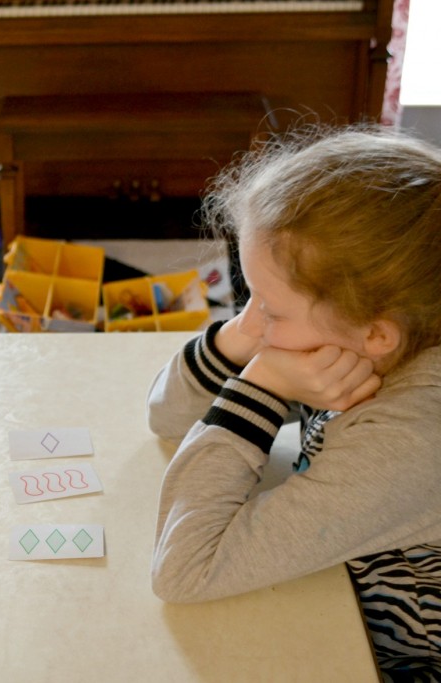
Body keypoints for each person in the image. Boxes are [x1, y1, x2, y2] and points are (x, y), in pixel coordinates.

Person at [146, 122, 441, 679]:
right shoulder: (359, 337)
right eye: (248, 297)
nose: (253, 326)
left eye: (272, 312)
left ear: (376, 336)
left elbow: (185, 569)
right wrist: (245, 339)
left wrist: (260, 389)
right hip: (339, 593)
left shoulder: (405, 441)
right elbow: (168, 416)